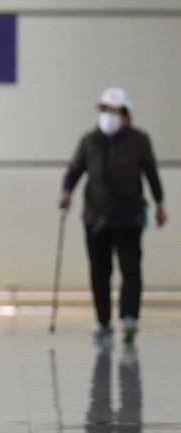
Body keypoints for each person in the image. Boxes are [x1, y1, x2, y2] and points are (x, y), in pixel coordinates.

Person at [59, 87, 166, 343]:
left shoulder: (139, 140)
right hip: (95, 216)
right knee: (99, 269)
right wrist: (66, 192)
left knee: (130, 267)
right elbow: (74, 170)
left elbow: (151, 174)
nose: (107, 115)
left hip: (128, 215)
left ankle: (129, 317)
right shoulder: (89, 141)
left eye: (113, 111)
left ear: (126, 114)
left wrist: (160, 204)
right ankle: (104, 321)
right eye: (104, 110)